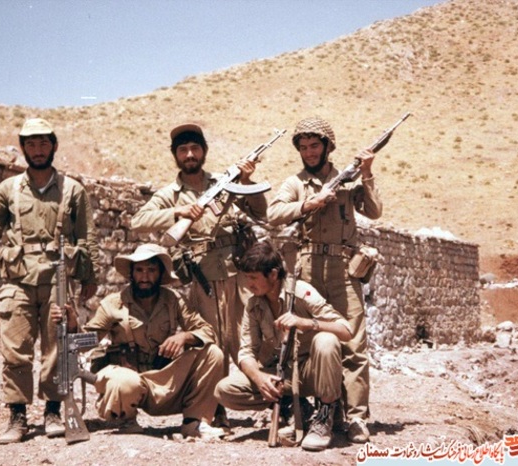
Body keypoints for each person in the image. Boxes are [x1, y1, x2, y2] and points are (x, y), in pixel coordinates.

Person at [0, 117, 100, 444]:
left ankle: (53, 411)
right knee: (15, 350)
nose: (38, 150)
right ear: (23, 148)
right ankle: (17, 417)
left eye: (43, 143)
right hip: (18, 280)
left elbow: (86, 236)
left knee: (57, 347)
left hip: (58, 279)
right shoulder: (8, 189)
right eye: (31, 144)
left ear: (53, 146)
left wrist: (89, 275)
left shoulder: (72, 189)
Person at [130, 123, 268, 429]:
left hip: (237, 275)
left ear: (204, 151)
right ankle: (213, 409)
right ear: (175, 155)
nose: (190, 155)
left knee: (252, 340)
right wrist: (177, 213)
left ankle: (274, 402)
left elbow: (261, 212)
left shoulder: (225, 183)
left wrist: (247, 180)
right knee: (211, 345)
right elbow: (138, 221)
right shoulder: (170, 194)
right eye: (183, 150)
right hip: (203, 279)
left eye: (195, 148)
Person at [267, 117, 383, 443]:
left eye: (315, 145)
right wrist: (308, 204)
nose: (309, 152)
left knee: (354, 345)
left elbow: (374, 211)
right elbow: (273, 214)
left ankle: (356, 417)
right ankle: (315, 411)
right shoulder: (295, 183)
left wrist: (367, 173)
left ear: (328, 146)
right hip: (306, 270)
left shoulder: (346, 180)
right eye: (303, 147)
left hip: (344, 270)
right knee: (307, 342)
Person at [52, 243, 226, 440]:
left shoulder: (174, 300)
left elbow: (208, 332)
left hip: (163, 383)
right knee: (125, 380)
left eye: (151, 270)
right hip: (128, 383)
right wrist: (72, 324)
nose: (145, 276)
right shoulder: (113, 304)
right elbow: (85, 344)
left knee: (213, 354)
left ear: (160, 274)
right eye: (139, 270)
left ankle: (194, 422)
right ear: (131, 274)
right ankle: (125, 419)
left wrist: (184, 337)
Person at [214, 241, 353, 451]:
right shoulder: (253, 304)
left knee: (326, 340)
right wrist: (260, 379)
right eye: (246, 277)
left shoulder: (301, 292)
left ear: (273, 274)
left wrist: (306, 323)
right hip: (284, 376)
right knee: (225, 390)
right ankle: (298, 409)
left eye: (253, 278)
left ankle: (325, 416)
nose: (248, 284)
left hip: (312, 373)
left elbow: (346, 330)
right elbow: (246, 352)